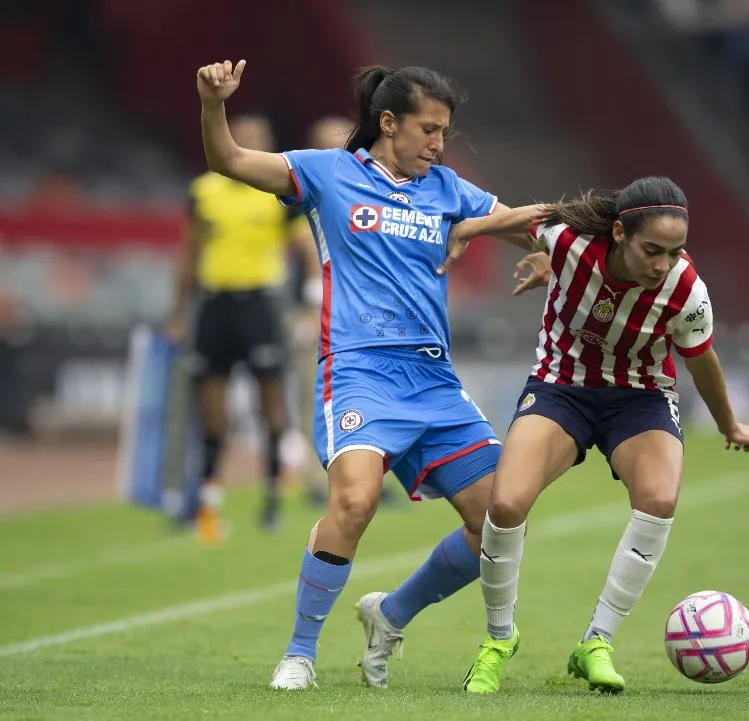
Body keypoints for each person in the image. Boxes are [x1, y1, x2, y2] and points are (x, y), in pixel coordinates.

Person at [193, 58, 547, 691]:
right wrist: (213, 104)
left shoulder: (447, 188)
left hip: (433, 380)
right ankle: (300, 653)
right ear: (388, 121)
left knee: (499, 517)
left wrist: (556, 253)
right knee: (354, 501)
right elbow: (229, 160)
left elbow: (530, 226)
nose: (439, 144)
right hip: (358, 371)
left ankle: (392, 613)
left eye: (445, 132)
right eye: (430, 129)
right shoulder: (326, 173)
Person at [451, 177, 749, 694]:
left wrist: (727, 424)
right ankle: (497, 640)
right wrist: (472, 228)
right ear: (619, 233)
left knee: (659, 498)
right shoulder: (570, 244)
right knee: (506, 504)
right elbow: (538, 213)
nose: (662, 265)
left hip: (640, 398)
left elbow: (702, 362)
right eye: (652, 250)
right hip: (563, 388)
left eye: (673, 253)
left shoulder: (687, 290)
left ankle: (596, 642)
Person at [166, 113, 319, 542]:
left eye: (257, 139)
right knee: (211, 412)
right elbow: (188, 254)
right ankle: (206, 502)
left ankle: (271, 499)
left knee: (270, 407)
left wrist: (310, 300)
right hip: (214, 306)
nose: (249, 144)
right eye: (243, 137)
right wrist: (179, 313)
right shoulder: (204, 191)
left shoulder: (275, 193)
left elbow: (305, 248)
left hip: (261, 306)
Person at [285, 115, 355, 506]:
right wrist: (314, 305)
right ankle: (316, 479)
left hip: (352, 314)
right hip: (318, 311)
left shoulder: (355, 189)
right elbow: (307, 250)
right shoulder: (305, 189)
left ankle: (365, 479)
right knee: (315, 396)